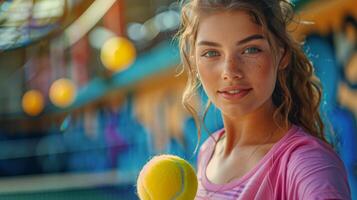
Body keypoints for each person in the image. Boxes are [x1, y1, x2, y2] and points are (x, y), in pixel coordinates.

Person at [177, 0, 352, 199]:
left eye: (250, 49)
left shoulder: (305, 163)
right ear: (194, 60)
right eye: (211, 53)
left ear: (281, 53)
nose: (230, 72)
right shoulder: (208, 151)